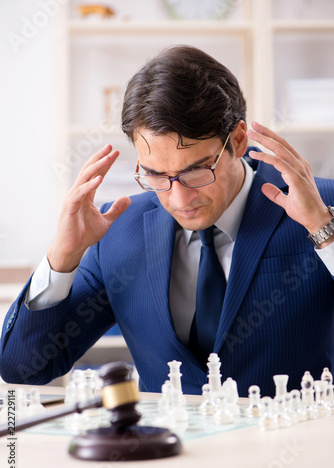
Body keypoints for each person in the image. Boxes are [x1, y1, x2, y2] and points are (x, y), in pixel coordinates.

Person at [1, 46, 333, 397]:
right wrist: (62, 256)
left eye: (196, 171)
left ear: (237, 140)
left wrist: (324, 232)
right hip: (168, 450)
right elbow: (24, 368)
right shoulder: (117, 231)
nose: (178, 199)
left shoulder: (320, 207)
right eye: (155, 175)